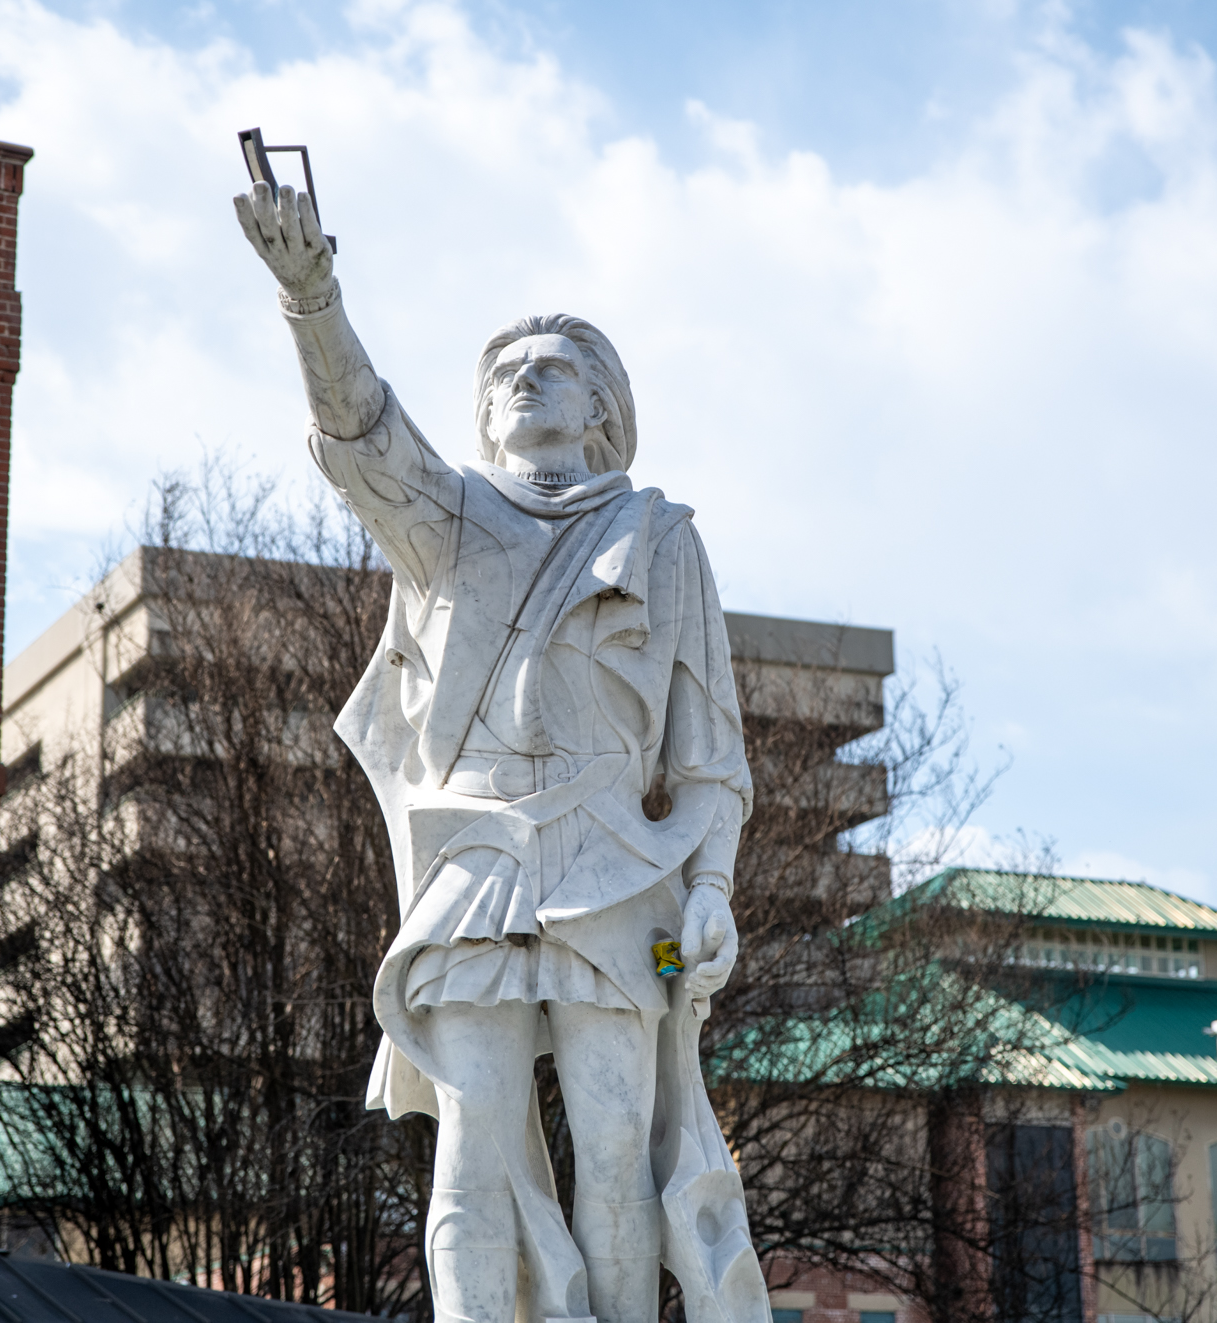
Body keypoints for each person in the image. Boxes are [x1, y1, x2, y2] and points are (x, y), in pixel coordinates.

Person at [235, 181, 766, 1323]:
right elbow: (362, 436)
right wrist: (310, 297)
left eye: (551, 368)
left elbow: (709, 756)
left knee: (618, 1148)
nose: (520, 380)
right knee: (468, 1146)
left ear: (601, 410)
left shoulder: (662, 540)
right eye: (501, 374)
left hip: (621, 866)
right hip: (473, 857)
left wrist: (712, 887)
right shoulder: (448, 524)